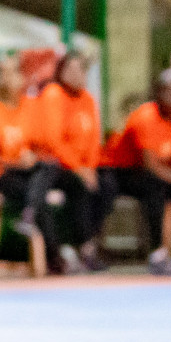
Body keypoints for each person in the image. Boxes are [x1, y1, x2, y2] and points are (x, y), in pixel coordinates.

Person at [97, 69, 171, 275]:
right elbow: (151, 166)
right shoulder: (145, 117)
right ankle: (158, 254)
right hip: (122, 172)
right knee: (156, 186)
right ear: (160, 94)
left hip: (157, 172)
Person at [0, 53, 61, 262]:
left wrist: (31, 156)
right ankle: (53, 255)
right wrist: (14, 163)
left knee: (48, 167)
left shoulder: (29, 106)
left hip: (23, 171)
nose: (5, 78)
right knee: (36, 195)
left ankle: (29, 214)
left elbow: (40, 145)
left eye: (11, 73)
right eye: (1, 73)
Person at [28, 52, 107, 273]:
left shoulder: (88, 99)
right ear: (61, 72)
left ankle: (87, 249)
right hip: (56, 167)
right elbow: (54, 141)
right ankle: (62, 252)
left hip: (82, 168)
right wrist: (79, 169)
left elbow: (93, 140)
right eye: (70, 69)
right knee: (79, 187)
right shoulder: (53, 94)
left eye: (80, 69)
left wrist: (90, 168)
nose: (76, 74)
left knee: (106, 186)